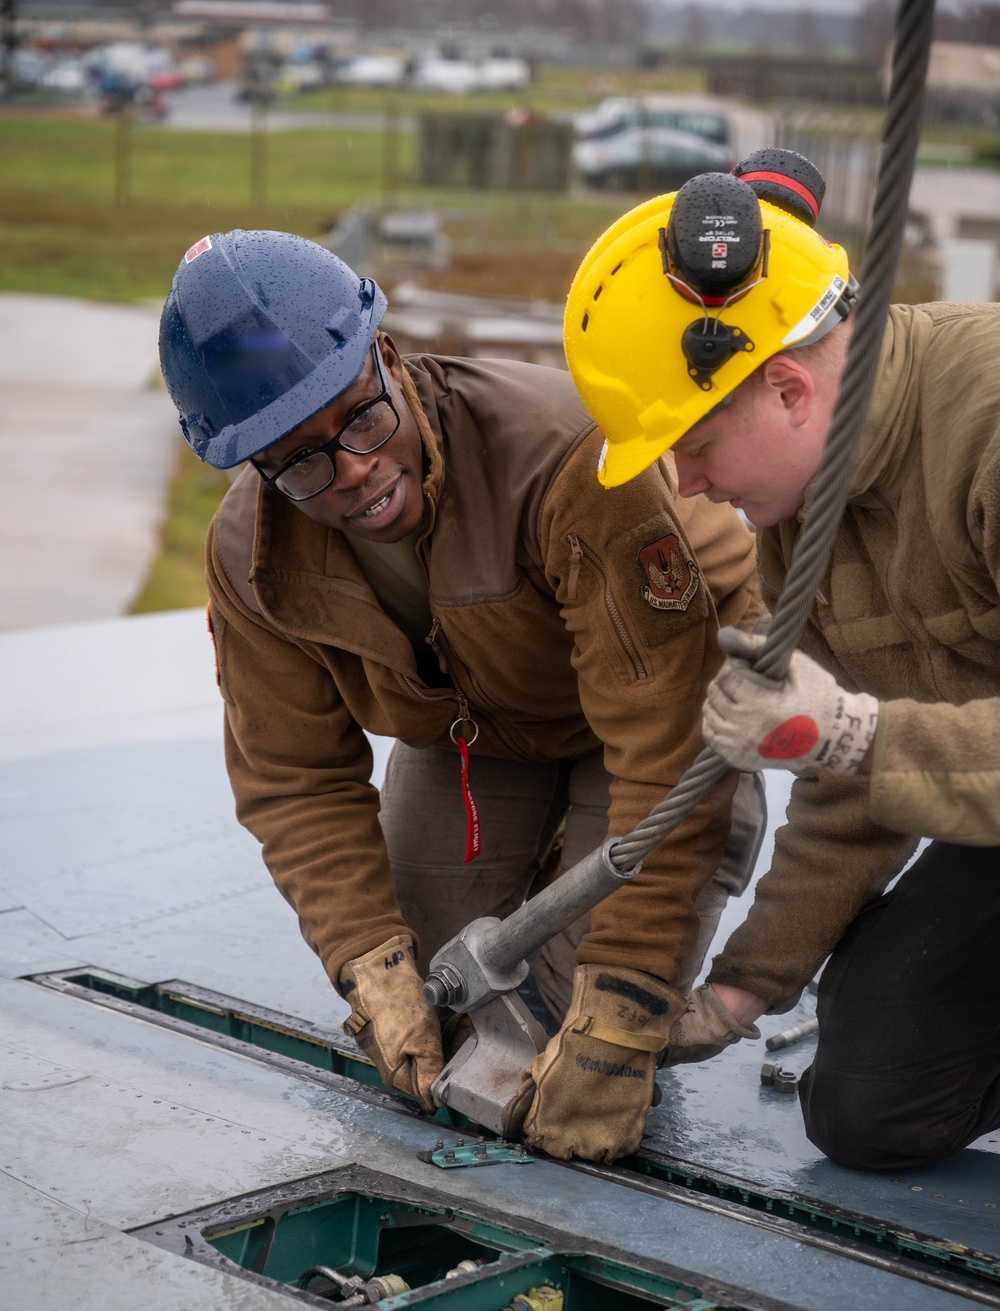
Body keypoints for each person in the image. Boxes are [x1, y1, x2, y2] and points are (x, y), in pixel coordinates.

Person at [158, 228, 765, 1164]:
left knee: (563, 1034)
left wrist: (627, 998)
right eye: (301, 462)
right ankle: (550, 856)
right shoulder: (252, 558)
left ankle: (588, 879)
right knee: (447, 1013)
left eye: (360, 418)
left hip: (672, 715)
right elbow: (293, 778)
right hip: (487, 738)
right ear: (258, 467)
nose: (352, 470)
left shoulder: (562, 456)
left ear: (388, 359)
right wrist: (367, 956)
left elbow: (667, 733)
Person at [564, 148, 1000, 1171]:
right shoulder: (800, 526)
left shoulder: (985, 424)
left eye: (690, 444)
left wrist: (852, 731)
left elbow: (862, 743)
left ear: (791, 391)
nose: (684, 481)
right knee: (867, 1111)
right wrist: (737, 990)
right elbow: (856, 785)